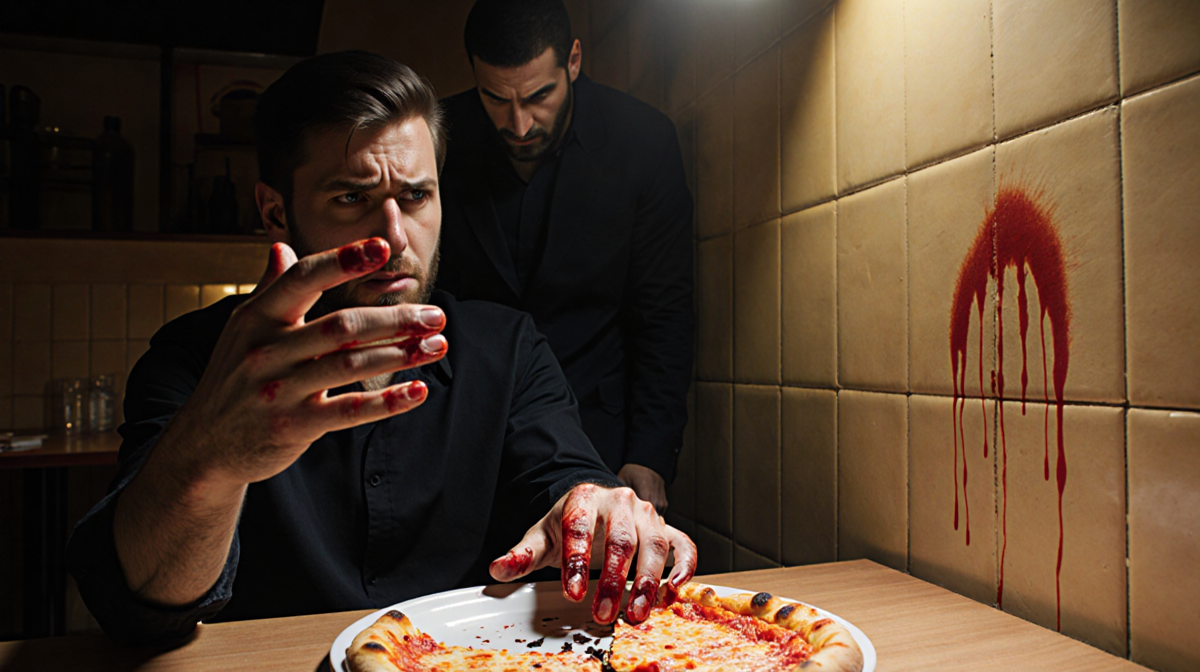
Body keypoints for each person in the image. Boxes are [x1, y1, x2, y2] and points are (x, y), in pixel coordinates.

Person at [66, 50, 695, 647]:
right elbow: (140, 605)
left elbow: (562, 476)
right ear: (276, 213)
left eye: (416, 196)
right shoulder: (197, 361)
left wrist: (594, 506)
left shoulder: (509, 350)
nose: (395, 238)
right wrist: (212, 457)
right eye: (352, 198)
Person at [436, 0, 694, 513]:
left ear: (573, 60)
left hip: (598, 437)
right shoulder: (438, 138)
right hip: (464, 435)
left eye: (539, 96)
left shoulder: (643, 140)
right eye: (495, 98)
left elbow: (663, 311)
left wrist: (650, 453)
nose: (519, 123)